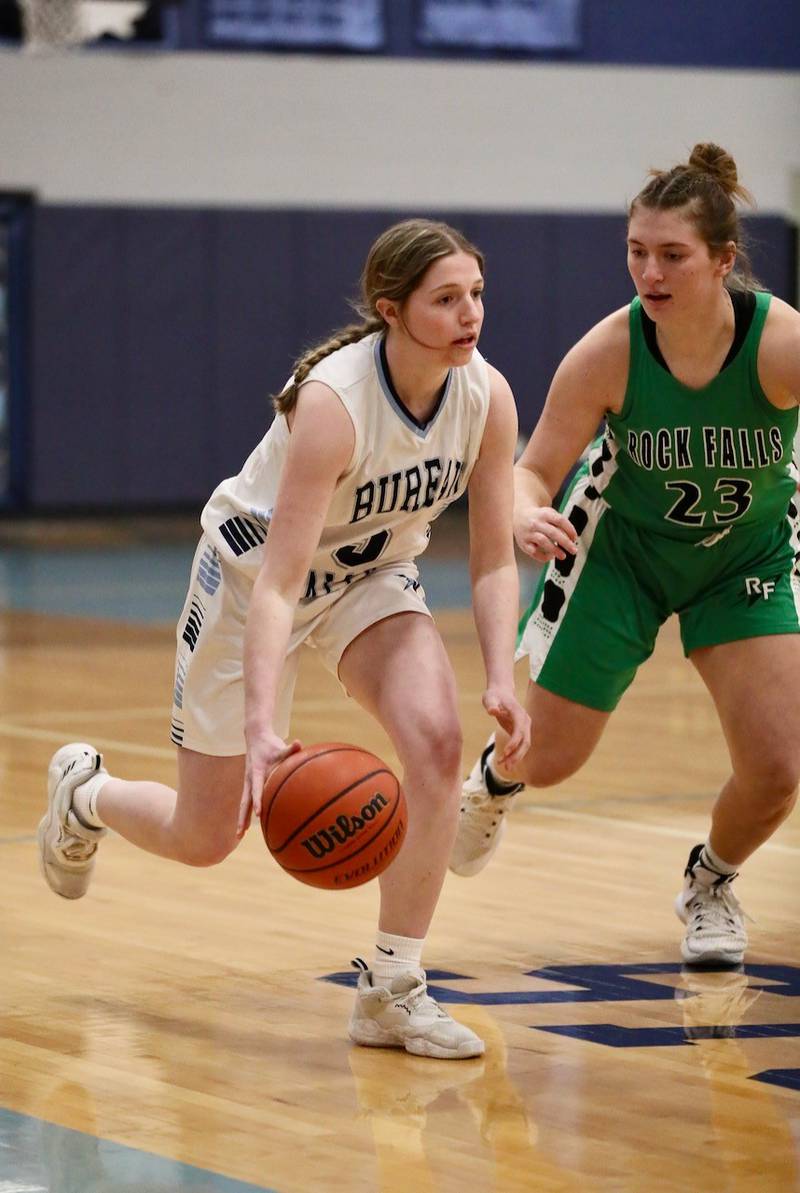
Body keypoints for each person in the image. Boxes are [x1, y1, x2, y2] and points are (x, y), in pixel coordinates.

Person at [37, 218, 530, 1060]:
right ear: (392, 309)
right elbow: (276, 584)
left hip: (370, 577)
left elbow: (490, 559)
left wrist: (499, 676)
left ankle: (390, 987)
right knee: (207, 835)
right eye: (447, 299)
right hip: (250, 578)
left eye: (476, 294)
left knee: (440, 742)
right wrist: (265, 728)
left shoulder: (487, 397)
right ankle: (87, 793)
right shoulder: (334, 405)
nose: (470, 313)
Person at [451, 144, 800, 967]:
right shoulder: (611, 349)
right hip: (621, 553)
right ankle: (495, 782)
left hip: (742, 554)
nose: (650, 271)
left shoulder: (779, 342)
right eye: (637, 252)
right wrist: (526, 517)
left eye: (672, 254)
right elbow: (531, 470)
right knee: (554, 759)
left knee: (780, 766)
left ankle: (710, 883)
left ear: (723, 261)